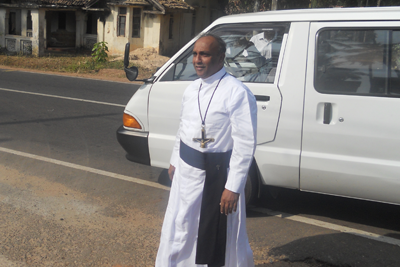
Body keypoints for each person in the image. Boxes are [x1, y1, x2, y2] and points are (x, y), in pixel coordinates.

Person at [155, 33, 257, 267]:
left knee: (212, 235)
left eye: (205, 54)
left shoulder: (237, 93)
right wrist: (174, 161)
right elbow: (183, 127)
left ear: (221, 57)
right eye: (195, 54)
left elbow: (244, 144)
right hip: (186, 174)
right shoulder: (192, 89)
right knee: (181, 227)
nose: (198, 59)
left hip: (216, 179)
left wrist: (233, 187)